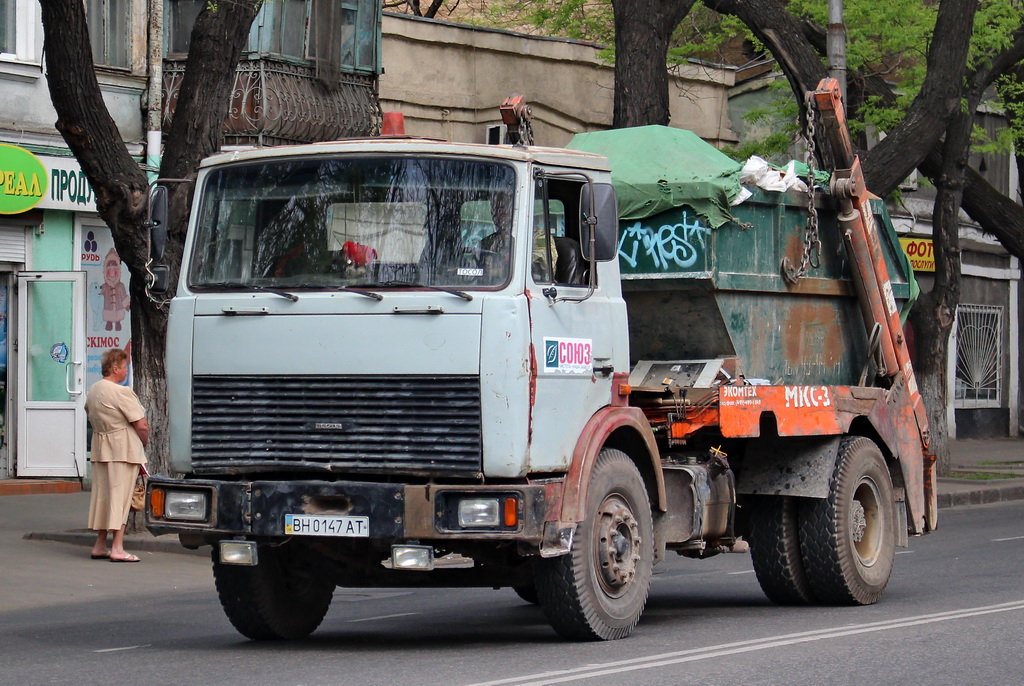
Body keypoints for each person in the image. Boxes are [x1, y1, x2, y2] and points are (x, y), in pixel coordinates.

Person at [86, 348, 149, 563]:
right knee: (120, 500)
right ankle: (118, 548)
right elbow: (141, 425)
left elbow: (89, 413)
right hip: (123, 450)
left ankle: (100, 545)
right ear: (115, 368)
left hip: (101, 449)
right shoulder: (121, 392)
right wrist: (144, 442)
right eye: (124, 367)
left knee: (103, 497)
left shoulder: (94, 389)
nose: (125, 371)